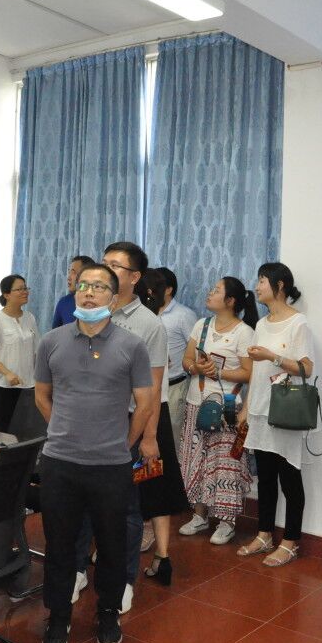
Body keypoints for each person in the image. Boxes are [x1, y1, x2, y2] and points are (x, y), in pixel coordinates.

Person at [34, 262, 157, 643]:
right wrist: (63, 430)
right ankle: (58, 617)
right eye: (83, 285)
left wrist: (124, 444)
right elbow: (41, 395)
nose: (88, 292)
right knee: (60, 545)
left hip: (111, 465)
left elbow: (145, 402)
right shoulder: (51, 341)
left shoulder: (131, 345)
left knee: (112, 544)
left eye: (99, 286)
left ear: (114, 298)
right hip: (60, 462)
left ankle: (107, 613)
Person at [103, 242, 190, 588]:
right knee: (119, 489)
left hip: (147, 415)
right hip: (109, 415)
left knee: (152, 487)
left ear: (135, 277)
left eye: (115, 265)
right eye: (105, 262)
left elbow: (153, 389)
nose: (106, 270)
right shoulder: (98, 311)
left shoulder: (149, 324)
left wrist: (150, 435)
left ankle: (162, 556)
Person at [236, 262, 316, 568]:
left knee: (290, 479)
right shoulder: (261, 324)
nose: (257, 287)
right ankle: (264, 535)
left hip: (285, 412)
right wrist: (246, 408)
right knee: (266, 478)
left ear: (279, 285)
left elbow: (306, 368)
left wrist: (273, 356)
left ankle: (291, 541)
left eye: (262, 281)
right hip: (259, 410)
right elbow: (256, 373)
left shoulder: (298, 323)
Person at [177, 277, 258, 545]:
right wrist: (196, 368)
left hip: (227, 408)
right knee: (196, 461)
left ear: (230, 301)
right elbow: (186, 360)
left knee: (226, 464)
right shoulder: (202, 325)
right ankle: (199, 515)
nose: (210, 293)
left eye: (216, 291)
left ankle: (227, 522)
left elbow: (250, 373)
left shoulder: (244, 332)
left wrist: (220, 372)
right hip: (196, 402)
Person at [0, 274, 39, 433]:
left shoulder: (30, 318)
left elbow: (36, 350)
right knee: (3, 430)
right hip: (3, 386)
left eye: (26, 288)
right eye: (20, 289)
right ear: (6, 295)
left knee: (25, 430)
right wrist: (7, 373)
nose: (25, 292)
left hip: (28, 384)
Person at [156, 267, 198, 447]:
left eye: (155, 285)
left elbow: (196, 351)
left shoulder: (184, 315)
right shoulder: (147, 311)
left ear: (168, 289)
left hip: (174, 386)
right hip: (150, 385)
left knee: (172, 439)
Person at [52, 255, 94, 329]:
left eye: (73, 272)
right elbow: (54, 333)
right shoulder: (64, 302)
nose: (69, 277)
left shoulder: (99, 302)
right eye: (69, 272)